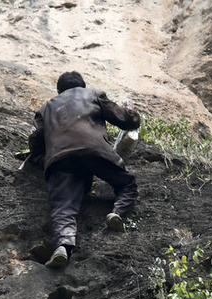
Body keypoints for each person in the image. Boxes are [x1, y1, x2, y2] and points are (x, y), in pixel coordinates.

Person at [27, 71, 141, 268]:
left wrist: (39, 157)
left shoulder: (45, 108)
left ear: (59, 90)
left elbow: (37, 140)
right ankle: (117, 213)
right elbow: (126, 120)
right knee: (126, 184)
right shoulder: (93, 95)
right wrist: (133, 112)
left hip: (61, 158)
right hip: (94, 150)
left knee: (63, 208)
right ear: (82, 85)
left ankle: (63, 245)